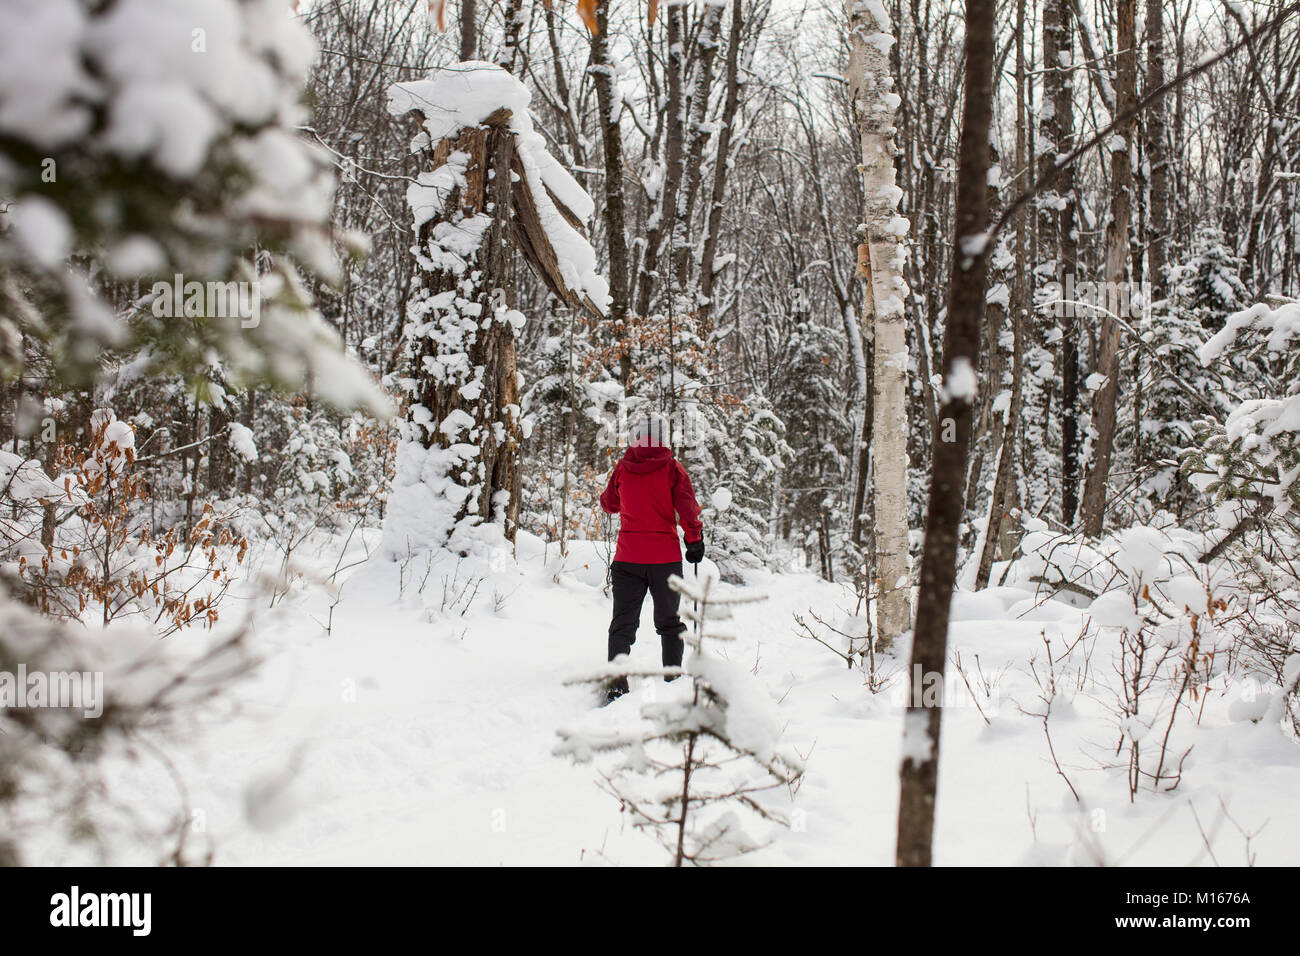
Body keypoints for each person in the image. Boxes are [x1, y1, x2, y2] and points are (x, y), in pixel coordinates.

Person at [598, 413, 704, 705]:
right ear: (664, 436)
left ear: (637, 435)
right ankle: (672, 680)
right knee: (669, 621)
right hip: (664, 559)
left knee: (622, 624)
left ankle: (617, 687)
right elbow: (688, 508)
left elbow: (609, 504)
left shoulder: (623, 467)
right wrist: (694, 540)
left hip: (628, 558)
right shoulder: (672, 468)